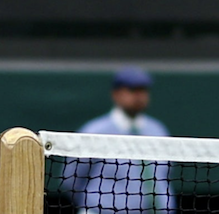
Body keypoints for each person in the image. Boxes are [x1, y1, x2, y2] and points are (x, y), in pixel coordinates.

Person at [61, 66, 177, 214]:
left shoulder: (158, 131)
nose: (138, 96)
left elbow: (166, 175)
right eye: (132, 90)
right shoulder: (95, 131)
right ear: (116, 94)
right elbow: (72, 180)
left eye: (143, 90)